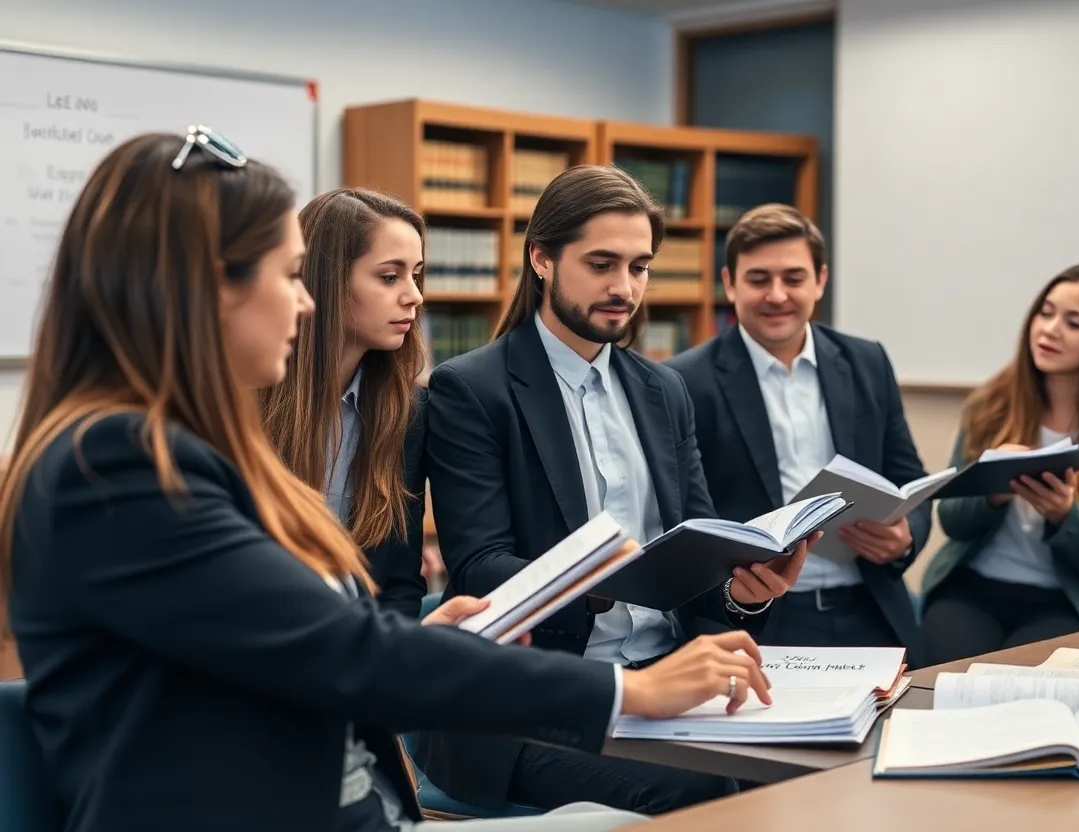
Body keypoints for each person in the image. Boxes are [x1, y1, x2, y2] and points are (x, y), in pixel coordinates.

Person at [0, 130, 774, 832]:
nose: (304, 302)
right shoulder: (117, 468)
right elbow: (342, 648)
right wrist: (629, 694)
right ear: (207, 288)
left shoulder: (151, 449)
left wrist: (418, 639)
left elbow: (322, 641)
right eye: (290, 274)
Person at [418, 166, 812, 816]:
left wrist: (742, 592)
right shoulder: (472, 389)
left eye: (639, 266)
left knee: (801, 766)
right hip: (534, 703)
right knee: (709, 791)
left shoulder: (663, 391)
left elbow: (698, 550)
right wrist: (611, 580)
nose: (624, 287)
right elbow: (480, 568)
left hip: (668, 677)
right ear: (541, 259)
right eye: (602, 264)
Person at [667, 204, 928, 668]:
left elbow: (911, 482)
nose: (777, 295)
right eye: (758, 279)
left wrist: (906, 539)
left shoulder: (867, 362)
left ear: (820, 280)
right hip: (758, 619)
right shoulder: (683, 381)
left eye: (793, 277)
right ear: (729, 283)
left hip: (869, 605)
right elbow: (682, 522)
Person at [259, 187, 430, 828]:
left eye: (416, 275)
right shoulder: (242, 409)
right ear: (326, 285)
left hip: (358, 701)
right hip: (270, 694)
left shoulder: (408, 413)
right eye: (389, 277)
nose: (412, 296)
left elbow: (398, 585)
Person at [918, 264, 1079, 664]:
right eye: (1045, 312)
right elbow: (953, 521)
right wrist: (992, 491)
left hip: (1067, 601)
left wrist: (1066, 515)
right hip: (973, 587)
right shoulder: (991, 404)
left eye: (1074, 323)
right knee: (945, 681)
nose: (1049, 329)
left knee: (1025, 690)